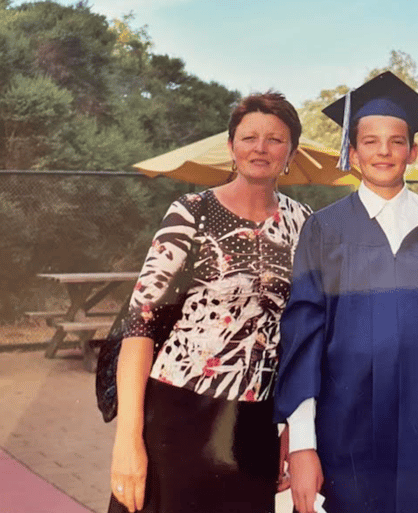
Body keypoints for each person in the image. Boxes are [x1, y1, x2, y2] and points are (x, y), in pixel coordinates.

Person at [274, 72, 418, 513]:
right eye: (370, 141)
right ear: (352, 153)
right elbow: (303, 340)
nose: (384, 152)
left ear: (413, 151)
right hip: (345, 426)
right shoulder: (325, 229)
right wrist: (301, 445)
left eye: (396, 141)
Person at [107, 91, 311, 513]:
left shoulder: (304, 223)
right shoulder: (191, 211)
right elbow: (141, 325)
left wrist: (294, 427)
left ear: (290, 152)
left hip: (252, 426)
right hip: (177, 414)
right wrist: (127, 439)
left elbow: (303, 334)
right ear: (231, 147)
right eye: (248, 137)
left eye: (275, 139)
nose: (260, 148)